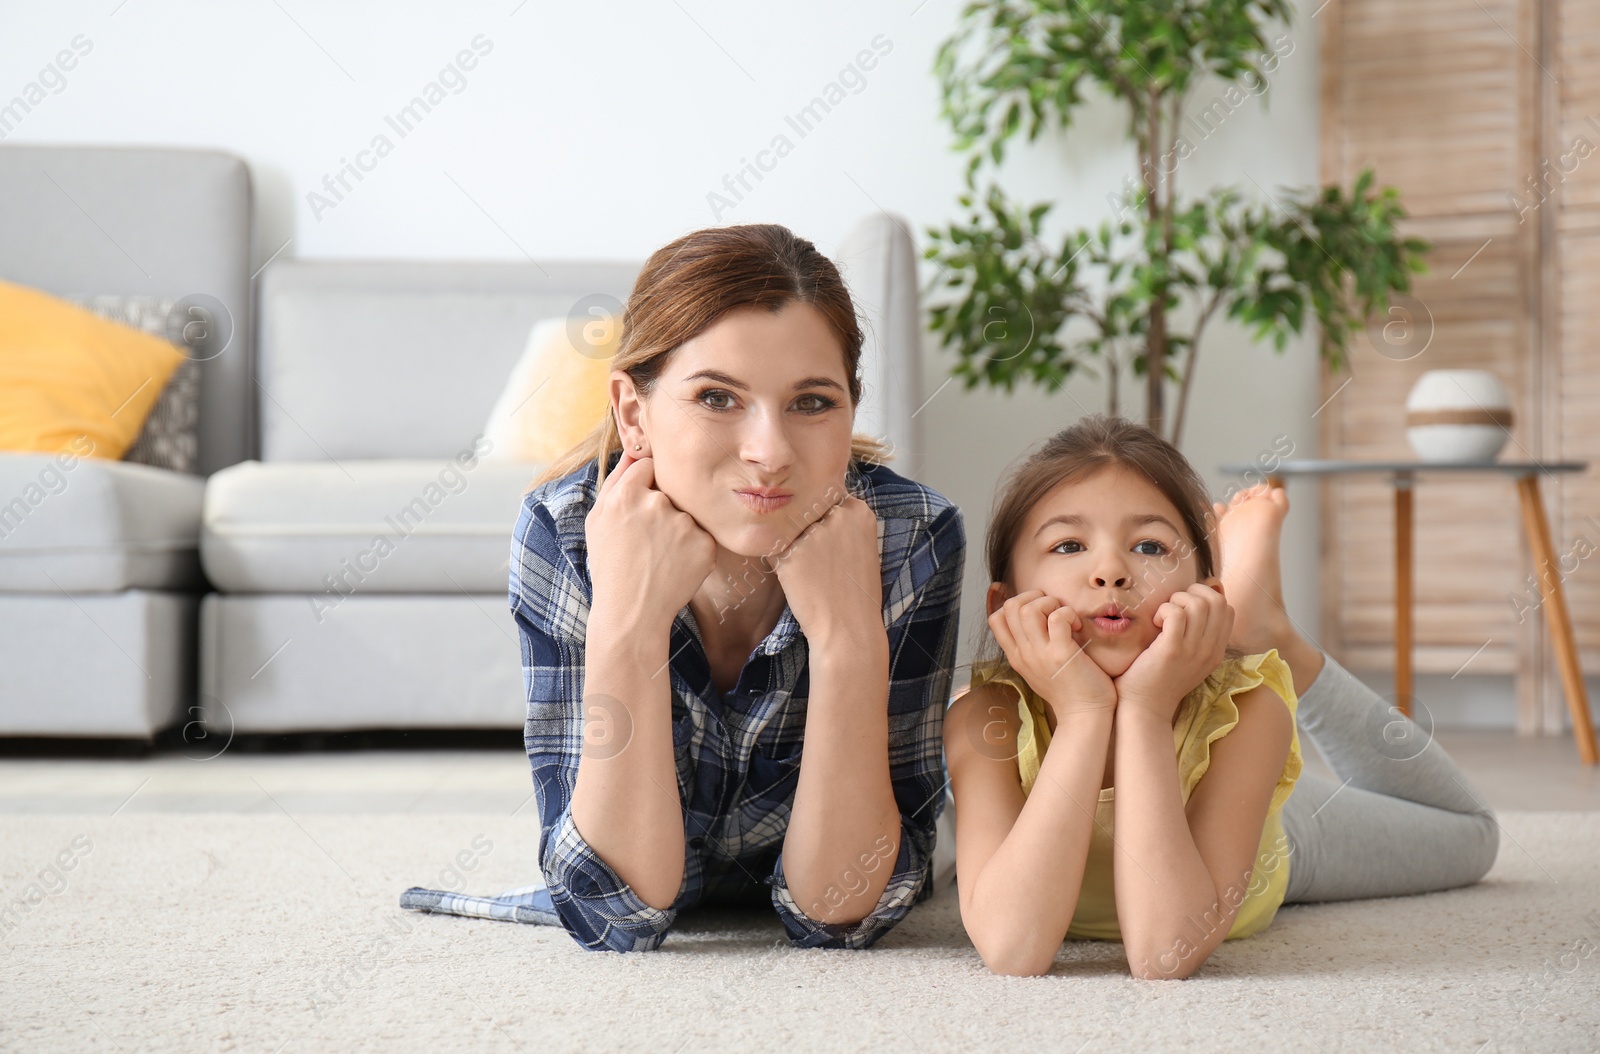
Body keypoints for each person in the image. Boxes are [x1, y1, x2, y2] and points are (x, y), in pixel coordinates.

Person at [403, 223, 965, 952]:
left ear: (850, 410)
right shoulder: (566, 531)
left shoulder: (910, 537)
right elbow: (616, 914)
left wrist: (848, 638)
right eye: (717, 398)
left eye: (812, 402)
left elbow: (840, 908)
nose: (769, 453)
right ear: (634, 414)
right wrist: (627, 626)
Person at [943, 414, 1500, 979]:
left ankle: (1274, 635)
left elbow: (1166, 953)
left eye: (1148, 545)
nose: (1110, 571)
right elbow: (1012, 949)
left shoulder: (1249, 711)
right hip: (1195, 771)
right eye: (1068, 545)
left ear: (1206, 599)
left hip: (1264, 834)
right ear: (1003, 604)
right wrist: (1087, 713)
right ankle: (1264, 622)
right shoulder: (984, 715)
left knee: (1473, 835)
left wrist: (1146, 709)